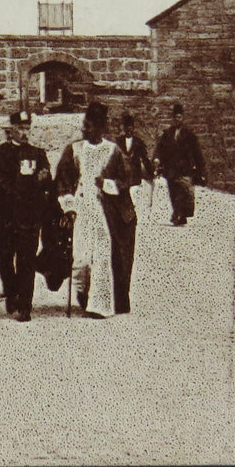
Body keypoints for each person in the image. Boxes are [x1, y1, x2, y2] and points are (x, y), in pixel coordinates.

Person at [57, 102, 137, 318]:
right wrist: (69, 206)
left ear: (101, 128)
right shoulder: (74, 150)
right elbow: (63, 181)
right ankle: (83, 294)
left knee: (103, 257)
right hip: (82, 210)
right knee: (81, 259)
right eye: (84, 125)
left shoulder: (113, 151)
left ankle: (99, 306)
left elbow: (127, 179)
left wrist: (107, 185)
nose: (84, 130)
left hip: (104, 212)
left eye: (89, 126)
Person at [0, 110, 55, 322]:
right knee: (2, 257)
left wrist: (44, 179)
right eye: (20, 128)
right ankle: (12, 291)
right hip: (4, 217)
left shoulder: (37, 154)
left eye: (26, 128)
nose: (24, 132)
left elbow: (48, 182)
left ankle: (25, 306)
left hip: (29, 218)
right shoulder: (0, 153)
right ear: (10, 130)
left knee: (26, 261)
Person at [153, 102, 206, 226]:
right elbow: (160, 148)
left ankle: (181, 214)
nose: (177, 120)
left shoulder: (189, 134)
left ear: (183, 118)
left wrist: (201, 170)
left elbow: (197, 152)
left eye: (180, 117)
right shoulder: (168, 133)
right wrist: (157, 159)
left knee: (185, 191)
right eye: (175, 117)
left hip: (184, 168)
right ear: (173, 119)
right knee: (173, 192)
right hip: (171, 168)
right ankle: (178, 213)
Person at [118, 111, 155, 217]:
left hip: (134, 174)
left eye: (131, 128)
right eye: (127, 128)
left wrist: (151, 172)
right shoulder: (118, 141)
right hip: (123, 174)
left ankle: (131, 214)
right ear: (124, 128)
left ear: (133, 129)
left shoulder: (139, 142)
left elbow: (145, 159)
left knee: (133, 195)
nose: (129, 130)